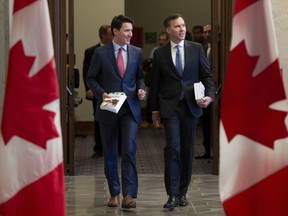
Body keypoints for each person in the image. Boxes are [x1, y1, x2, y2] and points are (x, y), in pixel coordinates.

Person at [149, 14, 215, 209]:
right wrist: (154, 110)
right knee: (173, 148)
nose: (182, 29)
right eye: (177, 26)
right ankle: (172, 194)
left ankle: (183, 192)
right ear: (168, 30)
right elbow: (155, 84)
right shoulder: (160, 53)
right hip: (170, 107)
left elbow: (207, 76)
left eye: (183, 25)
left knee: (187, 149)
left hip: (191, 106)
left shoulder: (196, 49)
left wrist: (209, 96)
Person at [86, 15, 146, 209]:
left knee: (129, 150)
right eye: (127, 30)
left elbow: (140, 78)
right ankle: (114, 193)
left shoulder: (137, 52)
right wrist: (101, 94)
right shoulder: (100, 53)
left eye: (131, 30)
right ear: (115, 31)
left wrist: (141, 89)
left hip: (130, 108)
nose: (130, 34)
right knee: (110, 152)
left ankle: (128, 195)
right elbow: (91, 78)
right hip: (108, 108)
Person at [82, 25, 113, 158]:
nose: (113, 37)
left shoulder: (114, 50)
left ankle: (114, 147)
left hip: (112, 90)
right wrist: (88, 89)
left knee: (113, 117)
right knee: (99, 118)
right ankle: (99, 147)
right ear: (103, 36)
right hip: (97, 90)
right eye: (111, 34)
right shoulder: (91, 51)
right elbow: (87, 72)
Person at [195, 23, 213, 159]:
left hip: (218, 90)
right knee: (206, 123)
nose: (207, 35)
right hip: (203, 90)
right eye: (205, 32)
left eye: (210, 32)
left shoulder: (221, 48)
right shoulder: (203, 48)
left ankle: (218, 152)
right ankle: (208, 150)